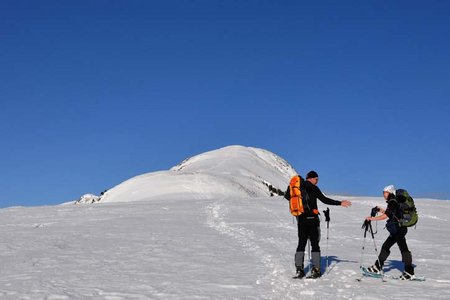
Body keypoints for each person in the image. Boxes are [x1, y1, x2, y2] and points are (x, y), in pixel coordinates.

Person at [294, 171, 352, 278]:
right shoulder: (313, 188)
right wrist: (340, 203)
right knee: (315, 244)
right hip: (312, 220)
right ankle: (316, 270)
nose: (317, 182)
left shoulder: (297, 188)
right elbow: (324, 200)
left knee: (301, 244)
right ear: (311, 179)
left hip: (301, 220)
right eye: (316, 179)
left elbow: (289, 197)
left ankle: (299, 269)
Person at [365, 185, 415, 280]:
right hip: (397, 229)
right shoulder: (394, 201)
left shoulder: (392, 201)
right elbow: (391, 213)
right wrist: (380, 210)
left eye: (384, 192)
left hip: (399, 229)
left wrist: (371, 218)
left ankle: (409, 272)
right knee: (386, 246)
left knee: (403, 249)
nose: (383, 194)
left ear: (389, 192)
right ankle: (377, 267)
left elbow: (386, 216)